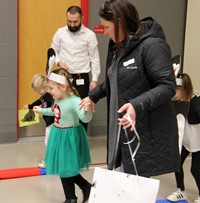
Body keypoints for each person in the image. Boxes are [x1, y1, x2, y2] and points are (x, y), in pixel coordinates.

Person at [80, 0, 180, 177]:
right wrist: (92, 96)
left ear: (120, 23)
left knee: (133, 186)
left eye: (107, 27)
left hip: (143, 132)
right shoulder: (119, 45)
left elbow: (167, 86)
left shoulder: (152, 45)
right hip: (121, 130)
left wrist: (136, 105)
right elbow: (115, 80)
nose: (104, 32)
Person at [33, 68, 92, 203]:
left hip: (70, 137)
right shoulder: (58, 99)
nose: (49, 91)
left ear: (63, 86)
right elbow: (55, 112)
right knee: (63, 168)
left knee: (66, 168)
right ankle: (82, 188)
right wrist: (41, 110)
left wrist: (88, 111)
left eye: (51, 88)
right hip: (58, 135)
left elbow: (85, 118)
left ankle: (72, 197)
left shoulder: (74, 101)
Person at [50, 5, 101, 131]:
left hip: (81, 77)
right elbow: (52, 52)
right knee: (62, 107)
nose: (72, 24)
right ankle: (64, 136)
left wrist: (94, 79)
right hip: (63, 77)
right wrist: (59, 62)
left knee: (82, 108)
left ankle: (80, 140)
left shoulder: (90, 35)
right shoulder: (60, 32)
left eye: (75, 21)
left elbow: (95, 58)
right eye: (69, 21)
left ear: (82, 19)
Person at [167, 73, 200, 203]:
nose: (174, 93)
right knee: (176, 164)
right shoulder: (176, 102)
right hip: (185, 141)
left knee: (196, 170)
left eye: (177, 89)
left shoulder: (196, 103)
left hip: (197, 142)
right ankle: (181, 191)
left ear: (185, 89)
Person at [23, 74, 54, 168]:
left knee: (48, 142)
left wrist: (40, 110)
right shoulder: (45, 95)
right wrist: (30, 106)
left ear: (45, 87)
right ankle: (51, 160)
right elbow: (39, 101)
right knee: (49, 142)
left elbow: (51, 109)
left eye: (39, 91)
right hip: (49, 123)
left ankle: (49, 162)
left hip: (53, 123)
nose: (38, 93)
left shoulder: (49, 95)